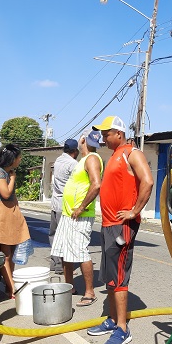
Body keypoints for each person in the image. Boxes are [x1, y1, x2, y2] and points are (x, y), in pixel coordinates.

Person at [87, 116, 153, 344]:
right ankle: (113, 319)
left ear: (119, 133)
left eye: (107, 134)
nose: (103, 138)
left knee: (120, 277)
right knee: (111, 277)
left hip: (121, 226)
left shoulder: (131, 152)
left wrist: (134, 211)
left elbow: (148, 181)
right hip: (108, 224)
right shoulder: (115, 155)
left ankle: (123, 329)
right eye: (103, 135)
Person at [51, 130, 103, 306]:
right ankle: (69, 286)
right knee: (66, 251)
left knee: (80, 251)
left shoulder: (92, 159)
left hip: (80, 215)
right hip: (69, 214)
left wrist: (81, 207)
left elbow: (96, 185)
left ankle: (90, 292)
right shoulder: (82, 160)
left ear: (83, 141)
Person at [0, 143, 30, 298]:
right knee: (5, 254)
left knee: (10, 253)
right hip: (1, 215)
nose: (20, 160)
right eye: (19, 158)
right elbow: (5, 194)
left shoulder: (7, 171)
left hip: (10, 214)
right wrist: (12, 179)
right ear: (12, 159)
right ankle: (10, 287)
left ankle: (8, 284)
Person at [49, 138, 80, 274]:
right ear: (75, 151)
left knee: (54, 234)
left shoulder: (58, 161)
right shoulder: (73, 164)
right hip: (66, 205)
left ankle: (55, 262)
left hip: (55, 203)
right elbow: (76, 185)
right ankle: (62, 266)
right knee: (65, 236)